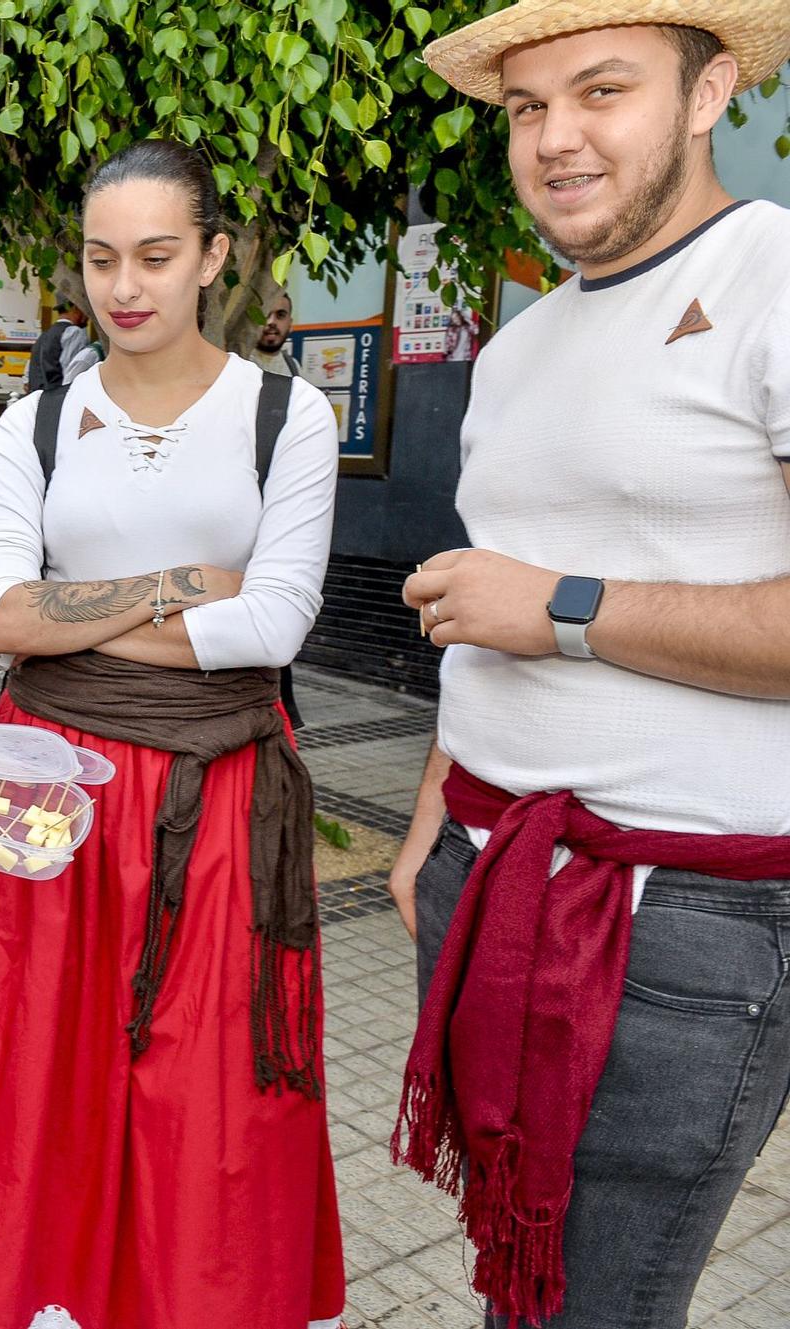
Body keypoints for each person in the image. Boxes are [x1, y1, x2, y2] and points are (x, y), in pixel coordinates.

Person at [387, 9, 790, 1328]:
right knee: (524, 1282)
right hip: (488, 870)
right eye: (524, 108)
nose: (556, 139)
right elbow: (485, 594)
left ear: (707, 92)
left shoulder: (776, 279)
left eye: (601, 90)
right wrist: (429, 816)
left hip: (674, 917)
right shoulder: (520, 343)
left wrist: (562, 609)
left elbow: (528, 597)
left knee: (599, 1305)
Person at [0, 139, 344, 1329]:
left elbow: (275, 622)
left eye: (157, 256)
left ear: (213, 256)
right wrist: (180, 584)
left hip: (220, 790)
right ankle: (41, 1294)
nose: (125, 286)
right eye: (101, 257)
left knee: (211, 1083)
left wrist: (71, 628)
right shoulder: (38, 423)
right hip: (43, 787)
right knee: (36, 1070)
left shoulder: (285, 414)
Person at [22, 269, 100, 393]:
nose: (88, 315)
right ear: (75, 307)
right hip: (58, 399)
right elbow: (71, 373)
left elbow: (26, 379)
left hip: (37, 401)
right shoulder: (74, 333)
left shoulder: (44, 336)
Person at [252, 290, 302, 378]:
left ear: (290, 324)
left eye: (280, 315)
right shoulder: (237, 362)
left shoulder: (294, 367)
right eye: (265, 314)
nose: (271, 322)